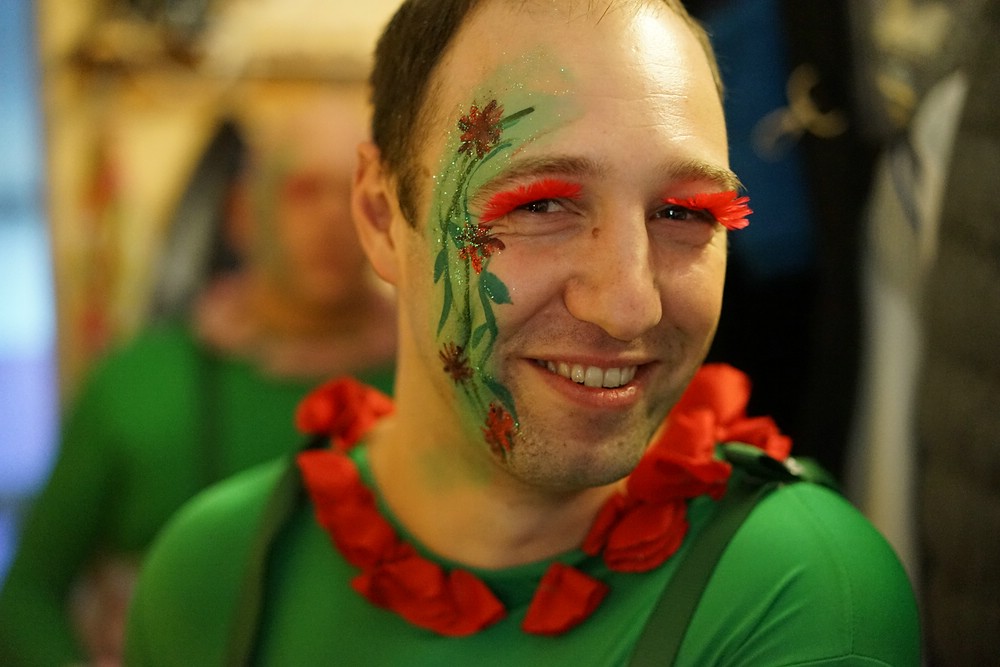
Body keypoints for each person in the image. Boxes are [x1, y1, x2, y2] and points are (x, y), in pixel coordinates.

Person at [124, 1, 920, 664]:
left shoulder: (800, 591)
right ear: (380, 214)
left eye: (683, 212)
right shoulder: (218, 573)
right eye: (541, 204)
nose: (630, 305)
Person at [0, 83, 396, 666]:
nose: (334, 219)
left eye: (355, 196)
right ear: (243, 213)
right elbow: (26, 597)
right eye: (303, 191)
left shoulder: (438, 385)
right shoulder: (135, 386)